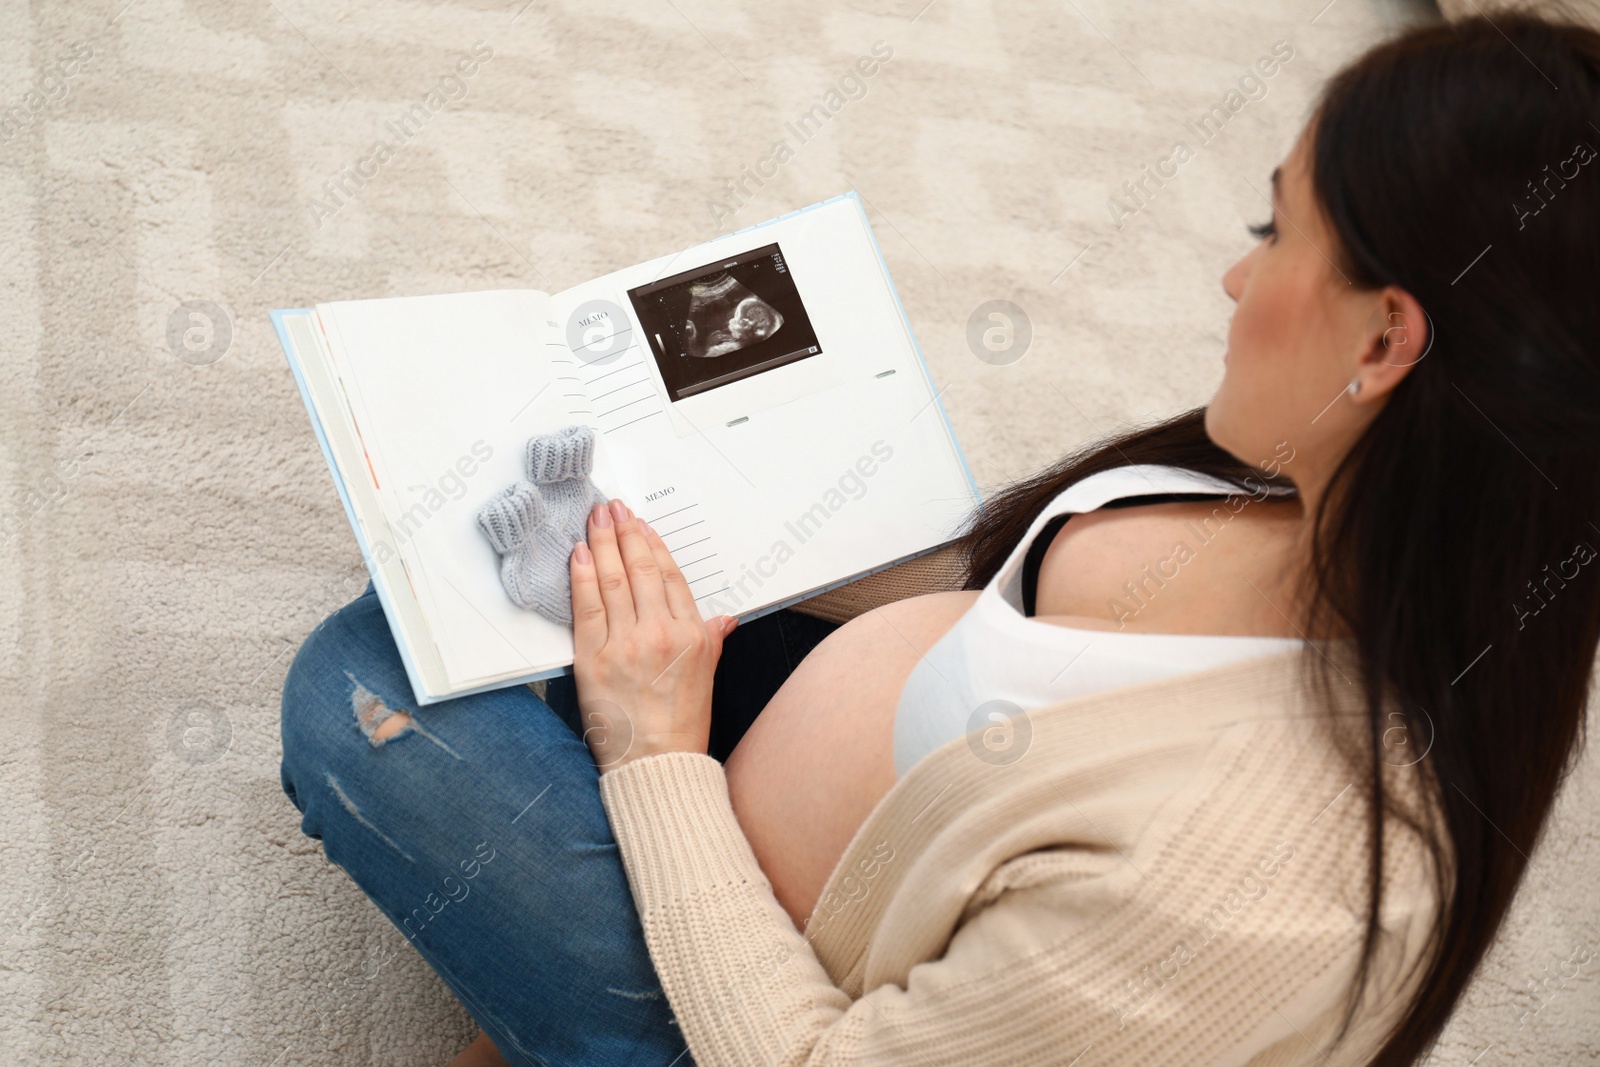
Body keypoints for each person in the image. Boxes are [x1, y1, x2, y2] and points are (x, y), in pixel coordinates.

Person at [279, 13, 1600, 1066]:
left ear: (1384, 339)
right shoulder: (1331, 487)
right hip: (886, 817)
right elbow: (1009, 607)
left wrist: (653, 752)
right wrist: (723, 493)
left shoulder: (1256, 896)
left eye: (1276, 230)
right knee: (462, 591)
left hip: (791, 1017)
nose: (1235, 278)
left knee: (360, 699)